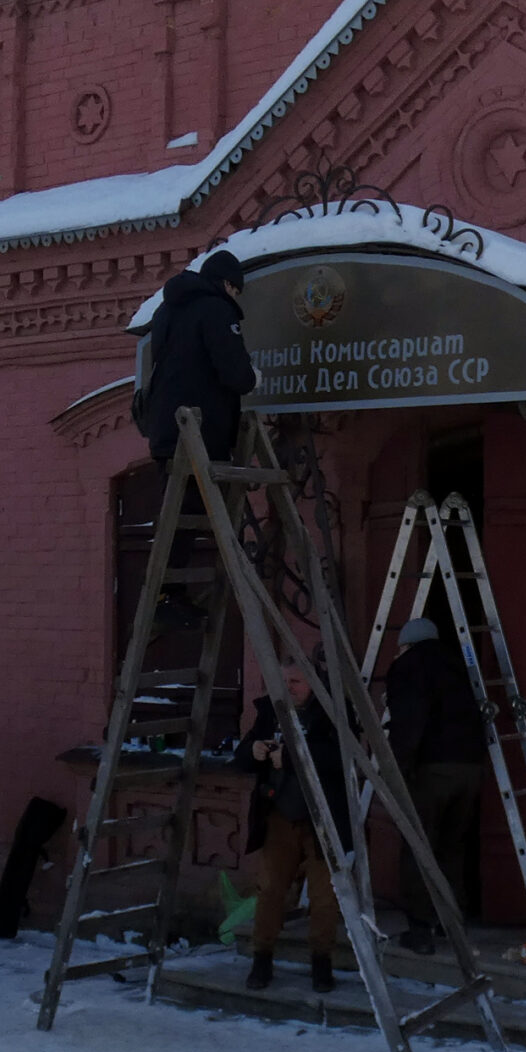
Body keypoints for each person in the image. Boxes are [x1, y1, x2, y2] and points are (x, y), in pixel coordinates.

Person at [135, 248, 258, 629]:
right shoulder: (216, 310)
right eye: (236, 290)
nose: (236, 298)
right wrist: (254, 377)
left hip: (166, 427)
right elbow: (235, 373)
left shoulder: (167, 311)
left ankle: (167, 595)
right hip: (198, 433)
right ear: (227, 284)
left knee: (180, 516)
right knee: (193, 513)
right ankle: (166, 597)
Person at [238, 666, 352, 992]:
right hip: (279, 816)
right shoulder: (269, 714)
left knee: (324, 897)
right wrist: (253, 751)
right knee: (271, 890)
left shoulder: (330, 713)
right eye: (284, 681)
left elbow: (339, 759)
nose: (289, 687)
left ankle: (321, 963)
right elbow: (242, 756)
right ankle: (261, 959)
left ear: (312, 684)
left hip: (322, 821)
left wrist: (290, 757)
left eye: (296, 681)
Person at [384, 616, 487, 952]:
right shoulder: (461, 664)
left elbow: (410, 721)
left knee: (418, 846)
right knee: (451, 847)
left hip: (432, 769)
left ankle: (420, 929)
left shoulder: (409, 666)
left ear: (406, 644)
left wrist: (398, 769)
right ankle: (450, 922)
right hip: (469, 769)